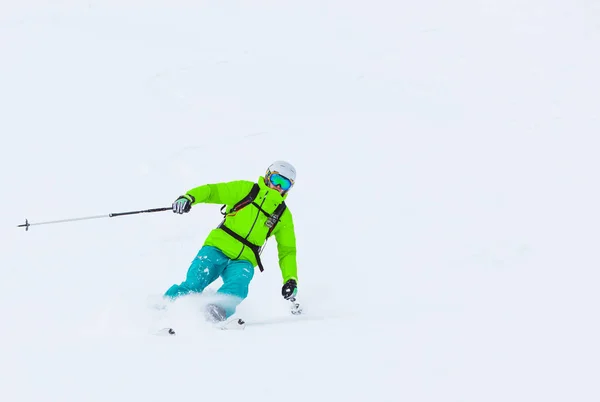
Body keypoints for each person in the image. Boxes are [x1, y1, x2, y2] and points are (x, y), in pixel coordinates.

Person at [164, 160, 299, 323]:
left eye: (284, 184)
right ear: (268, 176)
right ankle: (165, 309)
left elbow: (287, 251)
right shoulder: (245, 190)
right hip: (217, 247)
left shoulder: (282, 214)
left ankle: (213, 314)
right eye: (277, 180)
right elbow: (213, 191)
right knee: (194, 282)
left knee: (238, 285)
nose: (278, 186)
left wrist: (290, 279)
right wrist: (189, 197)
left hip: (244, 259)